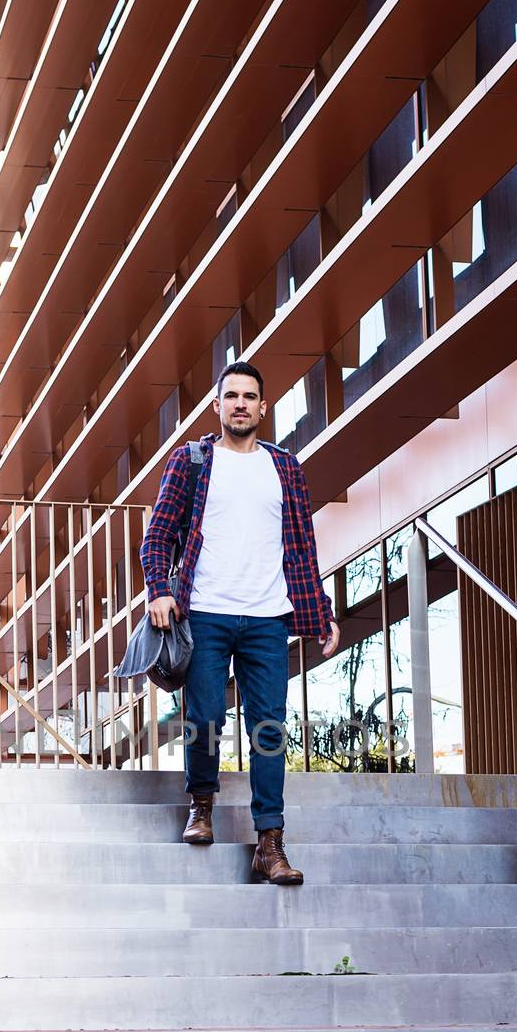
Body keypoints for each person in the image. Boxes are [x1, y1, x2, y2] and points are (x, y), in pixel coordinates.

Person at [139, 361, 340, 884]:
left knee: (269, 729)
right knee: (205, 715)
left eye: (250, 396)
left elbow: (301, 549)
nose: (241, 404)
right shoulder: (193, 462)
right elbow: (156, 536)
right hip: (204, 612)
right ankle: (200, 806)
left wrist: (321, 614)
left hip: (269, 619)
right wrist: (160, 591)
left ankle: (270, 844)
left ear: (264, 407)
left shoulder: (285, 468)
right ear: (218, 406)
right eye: (231, 396)